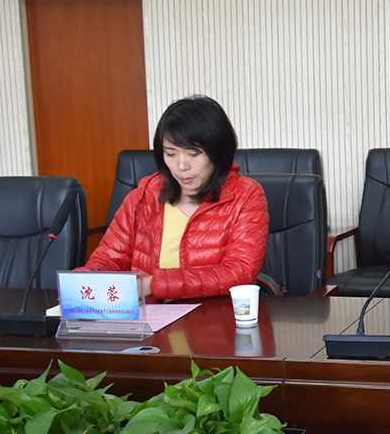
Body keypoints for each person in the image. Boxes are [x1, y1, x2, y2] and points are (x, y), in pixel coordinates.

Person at [83, 96, 269, 299]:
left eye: (194, 154)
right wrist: (80, 284)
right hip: (149, 316)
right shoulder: (144, 196)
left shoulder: (246, 196)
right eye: (171, 154)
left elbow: (239, 272)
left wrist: (153, 284)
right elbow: (107, 261)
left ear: (218, 152)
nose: (182, 166)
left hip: (213, 315)